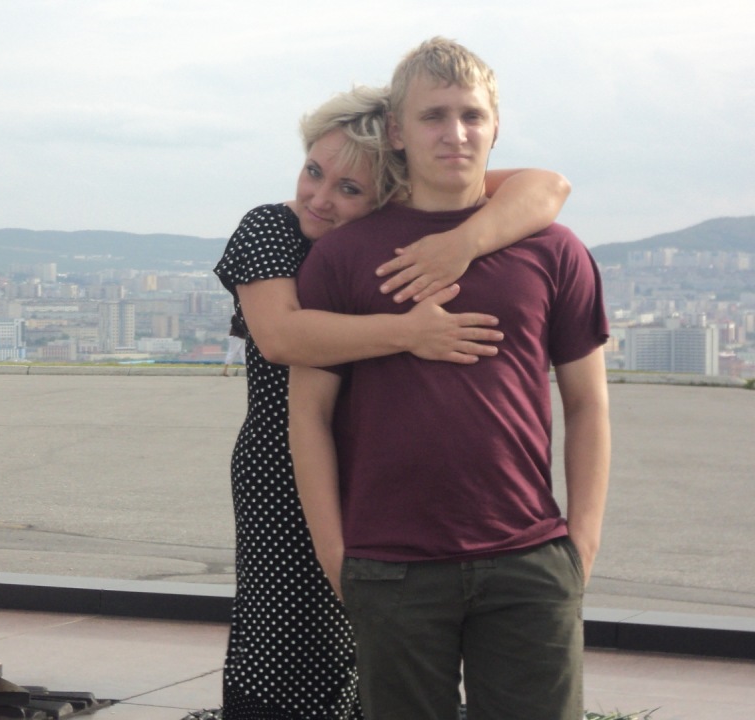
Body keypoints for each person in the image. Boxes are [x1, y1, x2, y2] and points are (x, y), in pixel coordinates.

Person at [212, 82, 573, 719]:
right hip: (284, 474)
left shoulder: (389, 231)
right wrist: (410, 333)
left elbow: (547, 187)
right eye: (314, 171)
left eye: (349, 188)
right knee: (289, 653)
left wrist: (464, 241)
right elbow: (281, 337)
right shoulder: (270, 228)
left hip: (383, 478)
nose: (319, 198)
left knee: (388, 664)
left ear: (390, 193)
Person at [289, 38, 610, 720]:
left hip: (529, 558)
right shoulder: (344, 256)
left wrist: (580, 543)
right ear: (398, 132)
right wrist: (335, 554)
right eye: (433, 116)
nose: (455, 133)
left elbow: (588, 406)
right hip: (389, 564)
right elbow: (309, 415)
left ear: (496, 127)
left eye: (471, 115)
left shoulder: (555, 251)